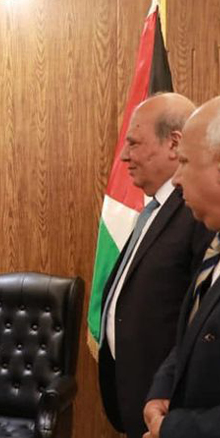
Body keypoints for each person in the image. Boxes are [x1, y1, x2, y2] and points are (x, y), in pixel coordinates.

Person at [97, 93, 213, 438]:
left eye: (134, 143)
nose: (124, 156)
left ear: (174, 144)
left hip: (174, 409)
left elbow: (197, 319)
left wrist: (170, 412)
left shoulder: (198, 214)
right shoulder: (153, 208)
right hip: (141, 396)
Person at [143, 96, 220, 438]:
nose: (176, 179)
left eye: (185, 161)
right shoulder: (214, 245)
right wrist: (163, 386)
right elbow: (194, 332)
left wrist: (172, 429)